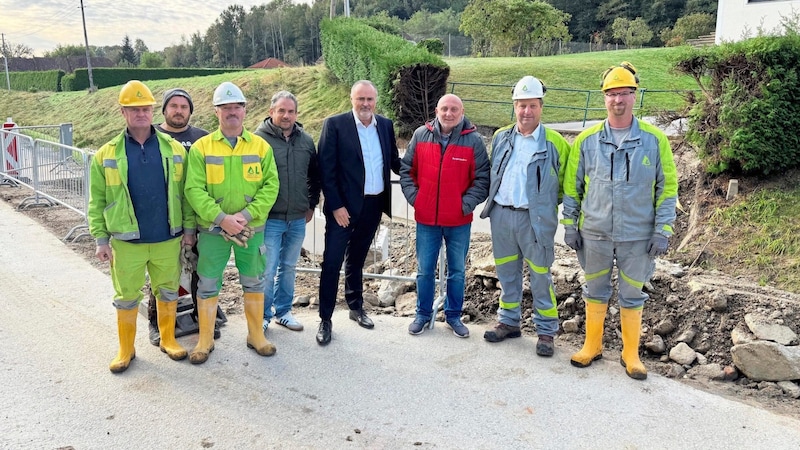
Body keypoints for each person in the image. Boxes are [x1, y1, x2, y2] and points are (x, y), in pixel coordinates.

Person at [562, 62, 678, 380]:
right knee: (595, 289)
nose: (618, 100)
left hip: (638, 236)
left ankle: (631, 354)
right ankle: (592, 345)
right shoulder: (586, 141)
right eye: (612, 94)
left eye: (624, 93)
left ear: (634, 96)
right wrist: (570, 225)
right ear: (604, 98)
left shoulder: (655, 141)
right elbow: (573, 187)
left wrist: (663, 229)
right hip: (595, 233)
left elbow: (666, 189)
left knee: (632, 294)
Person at [87, 80, 195, 373]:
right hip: (126, 242)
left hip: (167, 238)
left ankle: (169, 339)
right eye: (134, 110)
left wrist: (188, 230)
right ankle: (126, 348)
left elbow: (185, 195)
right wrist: (100, 239)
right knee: (126, 297)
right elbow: (96, 200)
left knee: (169, 291)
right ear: (123, 112)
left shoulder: (174, 150)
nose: (140, 114)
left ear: (152, 111)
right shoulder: (106, 155)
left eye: (145, 108)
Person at [184, 81, 279, 364]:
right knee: (208, 283)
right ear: (216, 112)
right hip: (214, 231)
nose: (231, 112)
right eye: (225, 107)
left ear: (245, 110)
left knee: (254, 280)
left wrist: (245, 216)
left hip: (251, 230)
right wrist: (222, 219)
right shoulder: (202, 148)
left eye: (236, 106)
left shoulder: (261, 147)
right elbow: (193, 189)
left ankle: (255, 336)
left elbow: (271, 186)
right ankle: (205, 339)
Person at [479, 76, 571, 357]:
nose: (526, 112)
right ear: (514, 106)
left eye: (532, 105)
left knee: (541, 275)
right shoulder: (501, 137)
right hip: (502, 215)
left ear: (541, 107)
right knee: (507, 273)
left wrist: (545, 208)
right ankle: (509, 321)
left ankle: (546, 330)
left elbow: (565, 185)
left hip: (536, 220)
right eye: (521, 106)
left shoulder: (556, 142)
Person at [316, 80, 400, 346]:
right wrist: (337, 205)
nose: (365, 104)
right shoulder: (335, 124)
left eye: (370, 100)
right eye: (360, 99)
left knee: (357, 259)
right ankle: (325, 319)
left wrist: (427, 169)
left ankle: (355, 307)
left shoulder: (385, 125)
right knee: (332, 262)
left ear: (376, 101)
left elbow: (396, 162)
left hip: (373, 205)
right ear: (352, 99)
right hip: (343, 208)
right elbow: (325, 170)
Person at [399, 94, 489, 338]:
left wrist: (465, 205)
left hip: (458, 221)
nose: (449, 113)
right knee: (424, 270)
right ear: (437, 110)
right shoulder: (420, 135)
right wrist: (417, 199)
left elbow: (482, 180)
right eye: (444, 109)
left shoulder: (473, 141)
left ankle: (453, 316)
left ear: (462, 112)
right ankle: (422, 314)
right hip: (426, 220)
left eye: (454, 109)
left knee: (457, 271)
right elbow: (407, 171)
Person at [145, 88, 215, 346]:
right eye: (173, 106)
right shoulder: (152, 135)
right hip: (164, 219)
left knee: (201, 271)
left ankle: (203, 317)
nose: (178, 111)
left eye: (184, 106)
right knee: (162, 274)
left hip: (198, 218)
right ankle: (157, 322)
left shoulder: (201, 138)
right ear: (164, 110)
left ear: (190, 111)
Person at [254, 91, 321, 333]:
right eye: (281, 110)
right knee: (267, 268)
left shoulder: (306, 140)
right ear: (271, 112)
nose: (286, 115)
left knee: (289, 266)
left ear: (297, 114)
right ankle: (262, 315)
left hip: (297, 218)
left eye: (291, 111)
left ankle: (283, 312)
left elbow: (314, 175)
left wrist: (311, 204)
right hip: (269, 219)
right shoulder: (257, 140)